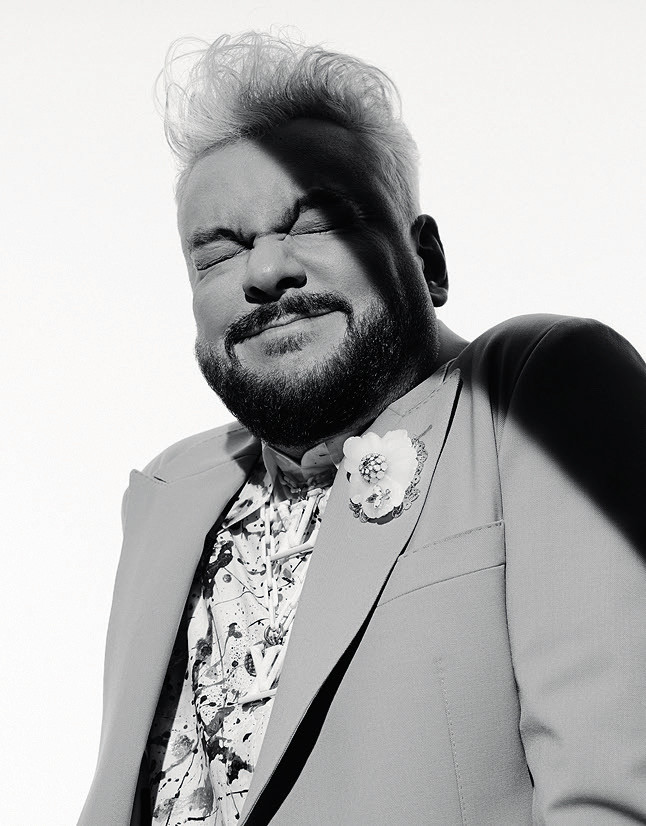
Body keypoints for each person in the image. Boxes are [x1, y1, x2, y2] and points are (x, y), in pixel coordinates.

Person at [78, 32, 646, 826]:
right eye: (217, 255)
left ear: (428, 261)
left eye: (315, 223)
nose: (265, 271)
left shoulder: (528, 394)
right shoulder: (171, 494)